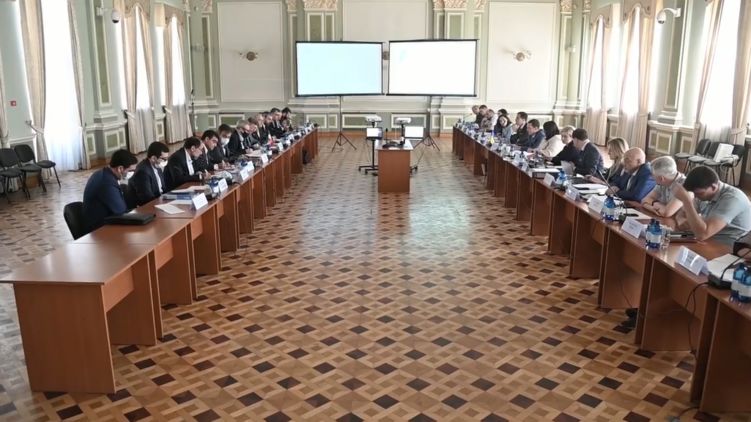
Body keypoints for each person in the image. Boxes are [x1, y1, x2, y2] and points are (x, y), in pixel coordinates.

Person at [672, 166, 751, 245]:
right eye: (694, 194)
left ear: (713, 187)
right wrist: (681, 220)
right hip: (709, 239)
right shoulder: (703, 193)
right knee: (670, 240)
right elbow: (683, 214)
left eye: (699, 193)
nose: (695, 197)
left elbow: (702, 235)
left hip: (728, 246)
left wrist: (687, 201)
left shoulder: (732, 199)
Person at [82, 149, 138, 233]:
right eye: (131, 171)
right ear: (120, 168)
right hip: (99, 231)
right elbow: (121, 212)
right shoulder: (107, 184)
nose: (133, 173)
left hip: (104, 221)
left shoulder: (103, 173)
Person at [128, 142, 169, 206]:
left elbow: (163, 189)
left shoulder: (157, 166)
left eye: (167, 158)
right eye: (164, 159)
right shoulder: (143, 172)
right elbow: (147, 198)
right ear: (153, 158)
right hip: (148, 206)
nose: (166, 161)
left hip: (160, 201)